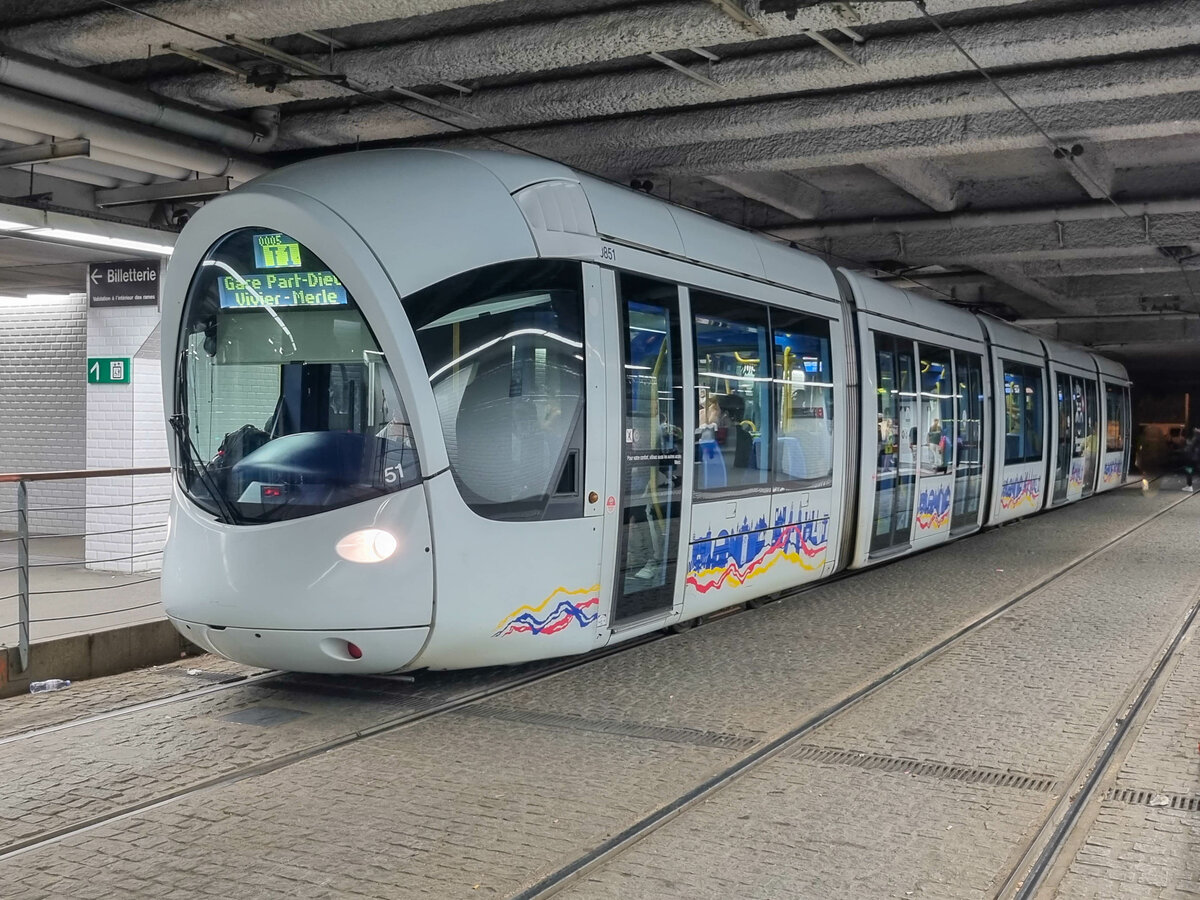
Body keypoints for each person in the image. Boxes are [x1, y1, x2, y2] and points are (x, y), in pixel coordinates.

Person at [1183, 427, 1200, 492]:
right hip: (1197, 458)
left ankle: (1189, 486)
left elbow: (1190, 447)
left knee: (1188, 470)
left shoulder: (1196, 438)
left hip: (1192, 458)